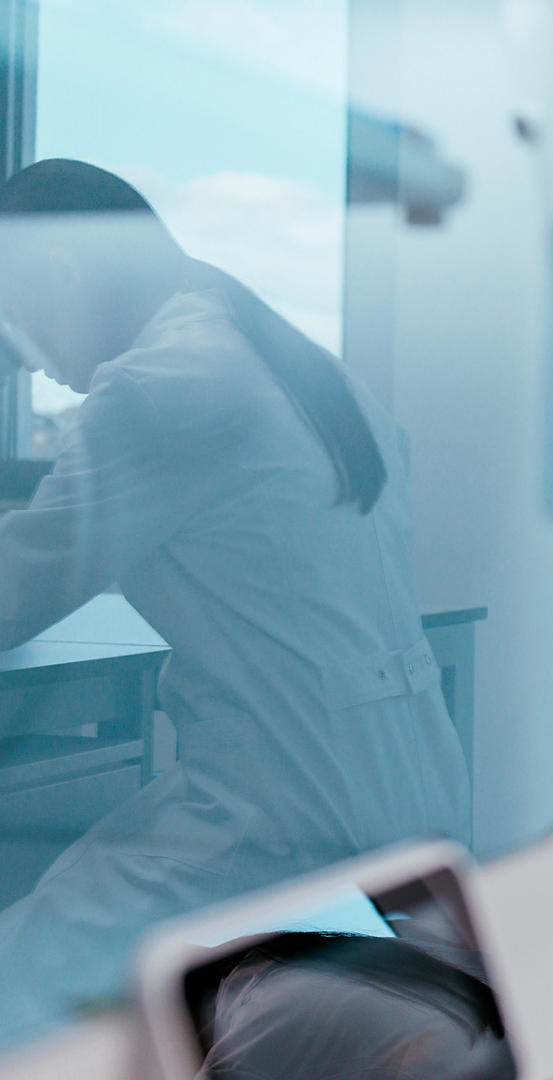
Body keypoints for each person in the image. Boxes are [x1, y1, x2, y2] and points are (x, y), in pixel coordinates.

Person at [0, 160, 469, 1042]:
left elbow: (18, 592)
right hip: (414, 803)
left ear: (61, 271)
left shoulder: (157, 384)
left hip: (283, 824)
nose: (36, 363)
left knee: (20, 981)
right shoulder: (299, 364)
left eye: (16, 317)